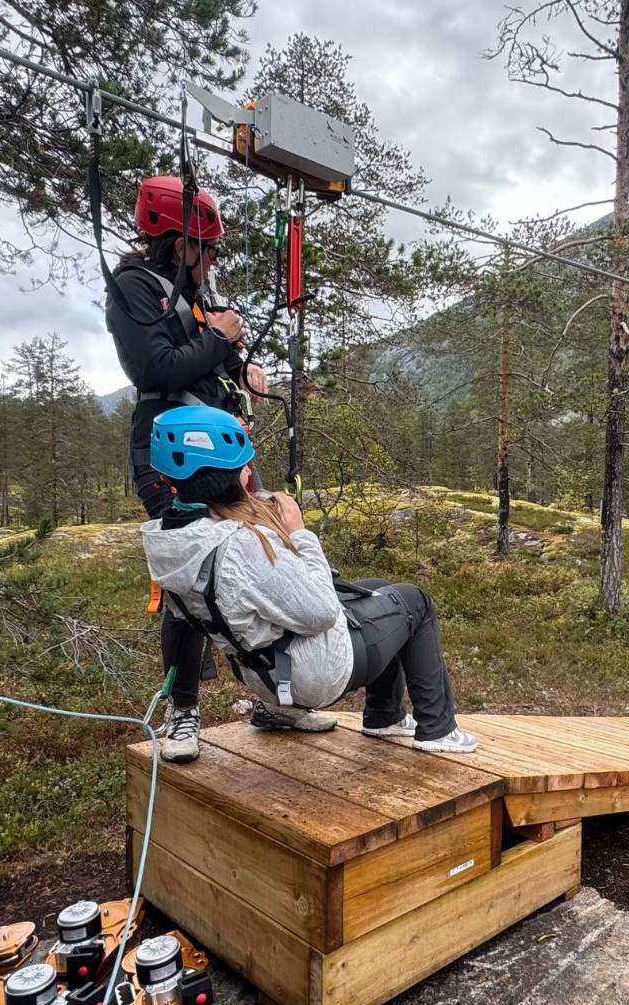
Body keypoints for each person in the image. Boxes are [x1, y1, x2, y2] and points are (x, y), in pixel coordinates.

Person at [138, 406, 479, 763]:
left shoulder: (168, 541)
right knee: (414, 601)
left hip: (261, 671)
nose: (249, 470)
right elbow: (321, 612)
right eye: (242, 465)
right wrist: (300, 533)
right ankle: (438, 730)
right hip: (310, 676)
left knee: (377, 588)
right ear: (222, 477)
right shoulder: (239, 547)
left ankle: (385, 717)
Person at [107, 175, 270, 756]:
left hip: (223, 444)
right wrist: (219, 338)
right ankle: (184, 714)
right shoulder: (133, 289)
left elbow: (204, 357)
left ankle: (275, 695)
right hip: (170, 454)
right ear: (181, 246)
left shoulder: (193, 295)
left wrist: (240, 362)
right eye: (209, 248)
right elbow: (155, 370)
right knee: (187, 577)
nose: (214, 260)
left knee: (259, 558)